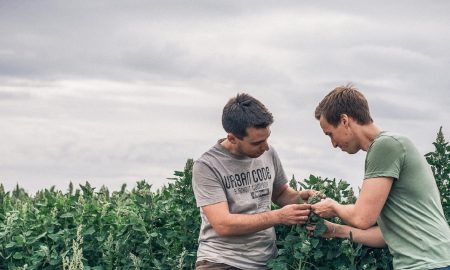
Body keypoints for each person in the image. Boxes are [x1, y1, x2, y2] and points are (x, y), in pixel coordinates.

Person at [310, 84, 450, 270]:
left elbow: (362, 218)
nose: (333, 144)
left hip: (428, 264)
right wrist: (335, 230)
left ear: (344, 120)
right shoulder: (391, 145)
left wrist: (333, 206)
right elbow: (387, 236)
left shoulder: (386, 146)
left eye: (330, 134)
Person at [192, 93, 316, 270]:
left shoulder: (268, 152)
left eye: (267, 138)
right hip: (221, 262)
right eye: (257, 142)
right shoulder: (207, 166)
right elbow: (223, 224)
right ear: (232, 138)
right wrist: (279, 216)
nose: (265, 146)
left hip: (267, 262)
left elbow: (279, 193)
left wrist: (300, 198)